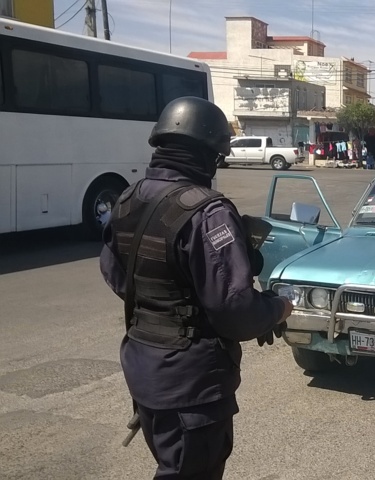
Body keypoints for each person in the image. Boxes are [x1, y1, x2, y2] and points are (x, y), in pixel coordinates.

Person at [100, 97, 293, 479]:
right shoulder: (208, 212)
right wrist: (277, 308)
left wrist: (168, 304)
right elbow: (235, 311)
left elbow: (116, 274)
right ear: (207, 154)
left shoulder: (127, 198)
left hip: (144, 371)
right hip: (191, 386)